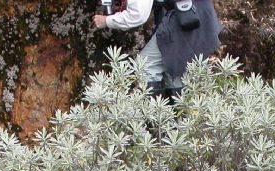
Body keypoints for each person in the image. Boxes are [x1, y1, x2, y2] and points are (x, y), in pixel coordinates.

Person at [93, 0, 222, 99]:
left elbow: (138, 15)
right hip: (200, 14)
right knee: (174, 71)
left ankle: (155, 124)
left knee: (145, 65)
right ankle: (174, 128)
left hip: (187, 17)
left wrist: (107, 20)